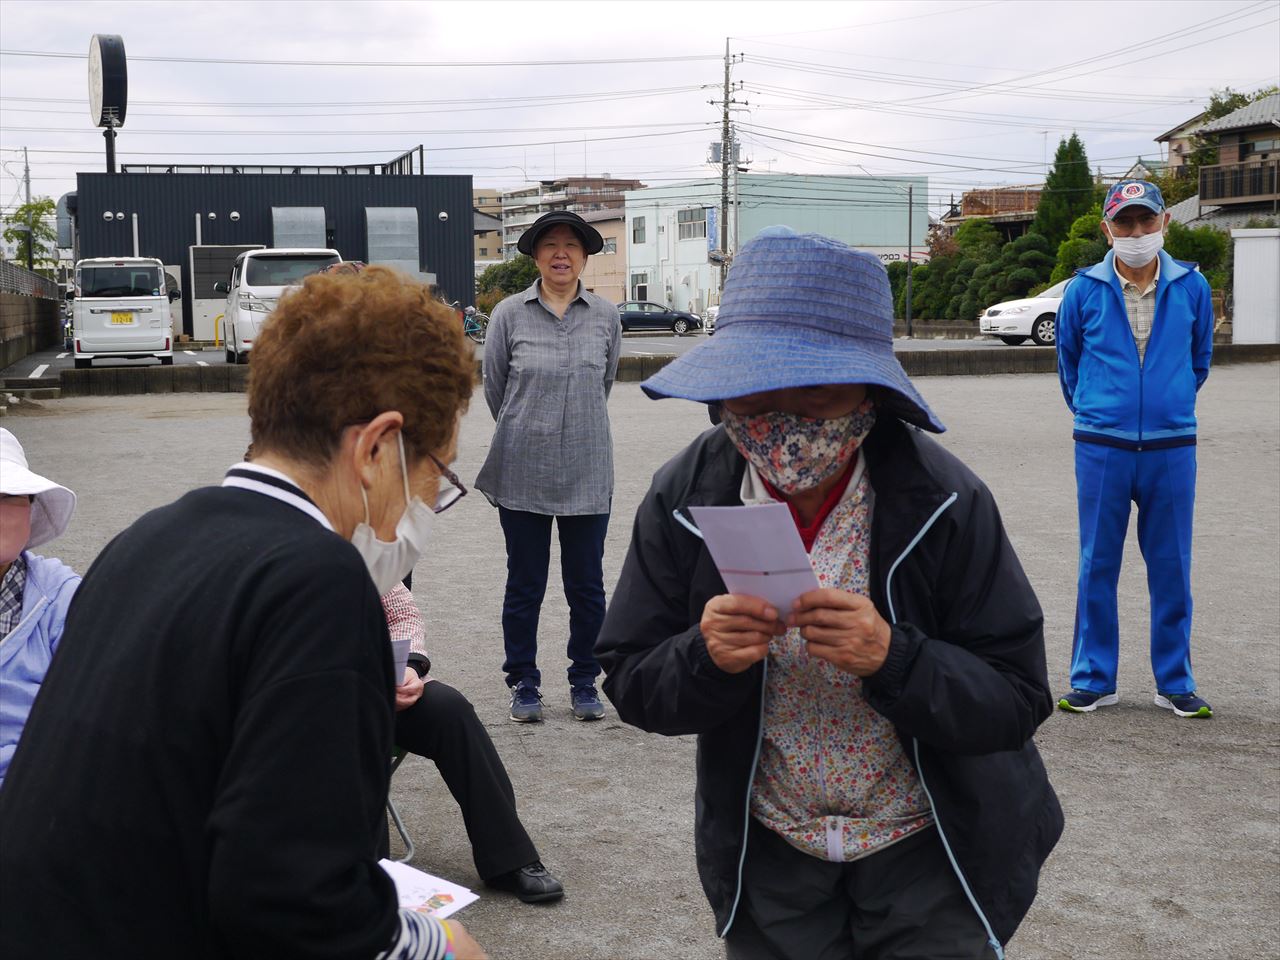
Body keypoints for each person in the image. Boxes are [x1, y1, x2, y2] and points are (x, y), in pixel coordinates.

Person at [596, 228, 1062, 960]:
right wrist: (704, 657)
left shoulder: (944, 500)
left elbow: (1016, 697)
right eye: (754, 386)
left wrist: (895, 657)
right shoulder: (685, 495)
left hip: (929, 846)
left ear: (871, 393)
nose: (781, 416)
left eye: (814, 388)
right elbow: (630, 677)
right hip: (771, 849)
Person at [0, 267, 486, 960]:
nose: (431, 499)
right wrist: (443, 946)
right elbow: (294, 900)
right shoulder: (317, 582)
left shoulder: (150, 537)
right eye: (437, 470)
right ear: (377, 447)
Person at [1055, 179, 1215, 719]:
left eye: (1146, 220)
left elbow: (1198, 361)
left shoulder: (1192, 286)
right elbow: (1070, 365)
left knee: (1172, 565)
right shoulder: (1082, 290)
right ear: (1108, 230)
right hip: (1102, 445)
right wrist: (1101, 410)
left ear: (1164, 222)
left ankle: (1175, 681)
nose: (1137, 231)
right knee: (1096, 562)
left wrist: (1168, 404)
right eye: (1124, 222)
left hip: (1172, 445)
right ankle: (1093, 679)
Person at [476, 210, 621, 723]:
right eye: (550, 245)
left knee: (587, 585)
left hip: (588, 466)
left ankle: (585, 679)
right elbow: (496, 389)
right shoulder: (508, 315)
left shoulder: (605, 315)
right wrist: (529, 426)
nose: (561, 254)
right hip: (522, 466)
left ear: (584, 257)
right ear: (536, 256)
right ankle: (523, 682)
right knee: (525, 583)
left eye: (571, 245)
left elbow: (604, 382)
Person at [382, 583, 565, 902]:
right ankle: (359, 873)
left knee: (449, 709)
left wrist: (409, 666)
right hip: (309, 703)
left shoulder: (361, 552)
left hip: (377, 685)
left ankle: (508, 857)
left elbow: (402, 614)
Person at [0, 428, 80, 790]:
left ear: (31, 508)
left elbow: (90, 720)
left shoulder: (64, 600)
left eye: (9, 497)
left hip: (32, 797)